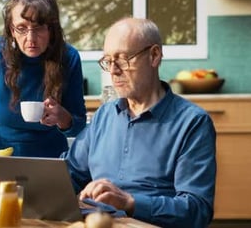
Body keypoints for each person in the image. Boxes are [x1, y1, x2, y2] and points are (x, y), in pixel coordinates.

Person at [62, 17, 216, 227]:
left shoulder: (193, 123)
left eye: (123, 59)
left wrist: (129, 202)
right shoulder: (104, 115)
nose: (114, 71)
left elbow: (197, 211)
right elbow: (69, 174)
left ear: (154, 56)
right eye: (108, 61)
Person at [0, 0, 87, 158]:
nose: (31, 38)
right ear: (12, 30)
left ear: (52, 29)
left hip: (51, 162)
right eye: (22, 28)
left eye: (39, 27)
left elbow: (79, 125)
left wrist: (62, 117)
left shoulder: (69, 58)